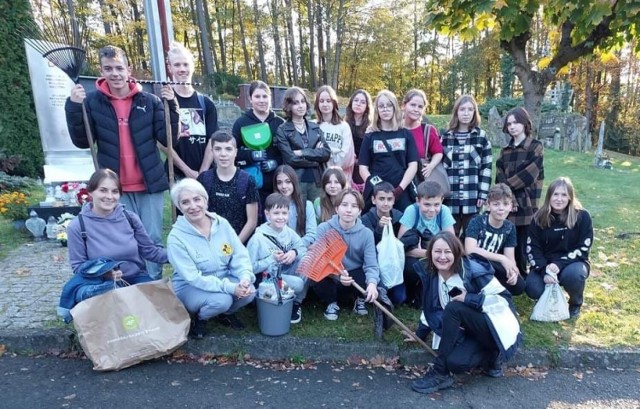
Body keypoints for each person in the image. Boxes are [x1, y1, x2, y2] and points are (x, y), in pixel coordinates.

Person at [65, 45, 177, 279]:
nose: (115, 73)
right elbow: (83, 141)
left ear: (129, 69)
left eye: (119, 68)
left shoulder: (150, 101)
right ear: (101, 71)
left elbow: (168, 137)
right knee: (121, 239)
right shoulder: (92, 102)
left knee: (152, 238)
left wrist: (172, 107)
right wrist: (74, 107)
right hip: (115, 188)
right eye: (108, 69)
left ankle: (151, 283)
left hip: (149, 183)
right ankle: (126, 282)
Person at [411, 231, 521, 394]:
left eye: (447, 252)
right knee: (456, 364)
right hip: (470, 332)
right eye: (437, 251)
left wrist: (469, 298)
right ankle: (492, 356)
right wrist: (420, 333)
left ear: (456, 252)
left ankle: (439, 372)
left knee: (454, 308)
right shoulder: (432, 274)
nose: (442, 257)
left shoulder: (474, 272)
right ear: (430, 254)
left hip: (495, 328)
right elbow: (431, 307)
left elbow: (504, 300)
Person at [167, 179, 256, 338]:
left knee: (249, 292)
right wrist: (230, 287)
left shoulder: (222, 224)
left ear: (205, 200)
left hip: (222, 277)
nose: (193, 206)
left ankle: (224, 314)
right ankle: (200, 319)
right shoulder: (176, 238)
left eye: (197, 199)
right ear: (180, 207)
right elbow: (193, 278)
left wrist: (244, 277)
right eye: (185, 202)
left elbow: (239, 254)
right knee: (222, 300)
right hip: (190, 286)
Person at [66, 169, 167, 286]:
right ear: (90, 191)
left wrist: (180, 254)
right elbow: (78, 267)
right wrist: (104, 273)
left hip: (136, 278)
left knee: (157, 300)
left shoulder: (130, 218)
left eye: (114, 191)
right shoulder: (77, 226)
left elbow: (150, 252)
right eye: (103, 190)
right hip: (99, 284)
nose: (109, 196)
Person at [525, 177, 593, 318]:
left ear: (570, 196)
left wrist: (559, 264)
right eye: (555, 194)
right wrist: (544, 271)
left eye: (563, 194)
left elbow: (583, 248)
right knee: (532, 288)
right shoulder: (538, 218)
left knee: (574, 276)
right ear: (549, 196)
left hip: (572, 263)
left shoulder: (582, 216)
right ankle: (548, 299)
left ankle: (575, 303)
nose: (559, 199)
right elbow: (532, 249)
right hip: (546, 264)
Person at [313, 189, 380, 320]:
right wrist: (337, 275)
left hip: (354, 277)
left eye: (354, 206)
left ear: (360, 211)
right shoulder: (324, 229)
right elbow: (318, 260)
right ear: (337, 208)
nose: (349, 210)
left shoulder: (366, 234)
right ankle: (331, 302)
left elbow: (371, 265)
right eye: (344, 205)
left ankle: (360, 299)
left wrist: (372, 284)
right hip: (332, 275)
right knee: (317, 277)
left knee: (364, 274)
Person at [495, 107, 544, 276]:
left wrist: (507, 190)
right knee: (508, 240)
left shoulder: (535, 147)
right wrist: (510, 199)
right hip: (508, 204)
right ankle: (507, 273)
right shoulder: (504, 151)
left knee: (523, 243)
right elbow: (499, 176)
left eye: (516, 122)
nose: (512, 126)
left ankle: (522, 275)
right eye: (509, 124)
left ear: (524, 123)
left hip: (527, 204)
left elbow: (528, 175)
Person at [246, 193, 308, 324]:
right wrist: (271, 259)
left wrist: (294, 252)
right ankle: (278, 301)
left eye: (284, 213)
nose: (281, 217)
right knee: (298, 284)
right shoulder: (258, 238)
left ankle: (295, 303)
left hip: (285, 273)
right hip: (268, 279)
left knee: (307, 261)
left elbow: (303, 248)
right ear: (267, 214)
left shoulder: (289, 231)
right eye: (276, 213)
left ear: (289, 214)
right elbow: (249, 267)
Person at [359, 90, 419, 212]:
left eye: (389, 105)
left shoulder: (405, 134)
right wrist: (377, 186)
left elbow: (413, 165)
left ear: (395, 107)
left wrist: (400, 189)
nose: (385, 109)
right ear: (377, 110)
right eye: (381, 106)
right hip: (377, 193)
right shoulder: (370, 136)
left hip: (402, 191)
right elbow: (363, 168)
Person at [441, 95, 492, 237]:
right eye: (462, 109)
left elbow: (486, 167)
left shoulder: (481, 137)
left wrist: (483, 193)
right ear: (456, 112)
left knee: (472, 236)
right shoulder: (446, 137)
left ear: (474, 113)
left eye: (470, 109)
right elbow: (440, 168)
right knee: (450, 237)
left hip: (472, 196)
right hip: (450, 198)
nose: (466, 113)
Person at [397, 181, 455, 307]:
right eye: (427, 204)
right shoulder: (412, 211)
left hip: (436, 256)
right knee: (412, 268)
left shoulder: (444, 211)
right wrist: (431, 253)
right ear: (418, 201)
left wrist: (429, 254)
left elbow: (452, 245)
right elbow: (400, 247)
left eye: (436, 205)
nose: (432, 209)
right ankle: (411, 291)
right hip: (417, 258)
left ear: (442, 200)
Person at [166, 42, 219, 179]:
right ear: (170, 68)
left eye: (186, 64)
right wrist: (186, 170)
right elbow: (163, 143)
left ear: (192, 66)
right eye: (177, 65)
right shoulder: (165, 103)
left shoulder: (206, 103)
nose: (182, 69)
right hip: (177, 175)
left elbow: (212, 140)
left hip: (206, 174)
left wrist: (203, 171)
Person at [197, 130, 259, 244]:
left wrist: (235, 245)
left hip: (239, 242)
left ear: (235, 152)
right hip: (210, 241)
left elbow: (252, 221)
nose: (223, 154)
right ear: (212, 151)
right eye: (218, 149)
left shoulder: (247, 180)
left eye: (228, 149)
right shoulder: (204, 179)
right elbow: (199, 214)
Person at [465, 184, 526, 295]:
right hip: (474, 262)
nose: (501, 208)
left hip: (493, 265)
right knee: (482, 272)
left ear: (511, 206)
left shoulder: (510, 227)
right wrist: (501, 258)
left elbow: (510, 257)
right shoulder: (477, 221)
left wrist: (513, 271)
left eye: (505, 204)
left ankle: (491, 287)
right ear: (488, 206)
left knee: (519, 285)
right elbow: (470, 249)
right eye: (496, 204)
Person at [232, 80, 284, 205]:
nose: (261, 100)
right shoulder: (241, 123)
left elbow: (288, 153)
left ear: (270, 98)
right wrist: (251, 156)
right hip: (251, 184)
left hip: (277, 184)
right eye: (257, 96)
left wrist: (276, 163)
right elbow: (232, 152)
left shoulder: (280, 123)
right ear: (250, 98)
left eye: (265, 96)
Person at [276, 86, 331, 203]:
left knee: (318, 216)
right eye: (296, 103)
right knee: (299, 217)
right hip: (296, 181)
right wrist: (316, 159)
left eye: (303, 102)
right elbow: (290, 159)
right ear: (289, 106)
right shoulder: (282, 129)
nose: (301, 106)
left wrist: (302, 152)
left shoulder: (315, 127)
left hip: (317, 181)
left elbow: (326, 153)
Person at [360, 181, 404, 305]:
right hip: (375, 263)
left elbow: (408, 238)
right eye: (381, 199)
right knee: (384, 294)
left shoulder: (399, 217)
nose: (386, 203)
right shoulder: (366, 219)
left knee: (399, 298)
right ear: (374, 200)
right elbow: (369, 245)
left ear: (394, 200)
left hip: (394, 263)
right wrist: (379, 229)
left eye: (389, 199)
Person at [315, 85, 355, 183]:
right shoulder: (313, 125)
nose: (325, 104)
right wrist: (334, 151)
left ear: (334, 102)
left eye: (328, 101)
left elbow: (347, 157)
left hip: (340, 179)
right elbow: (312, 153)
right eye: (321, 101)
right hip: (319, 178)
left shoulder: (343, 126)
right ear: (317, 103)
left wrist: (325, 154)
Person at [401, 89, 444, 181]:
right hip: (397, 180)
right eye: (413, 105)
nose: (416, 109)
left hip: (420, 181)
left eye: (420, 107)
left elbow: (438, 152)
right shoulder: (394, 129)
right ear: (404, 105)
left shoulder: (428, 130)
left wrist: (431, 166)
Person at [273, 165, 317, 247]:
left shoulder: (307, 205)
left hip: (303, 251)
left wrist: (294, 249)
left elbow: (312, 235)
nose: (284, 186)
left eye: (288, 182)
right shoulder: (272, 207)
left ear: (294, 182)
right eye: (279, 182)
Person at [345, 89, 373, 192]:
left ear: (367, 106)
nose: (358, 104)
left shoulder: (371, 127)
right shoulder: (343, 124)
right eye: (356, 100)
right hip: (346, 166)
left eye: (362, 102)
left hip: (363, 167)